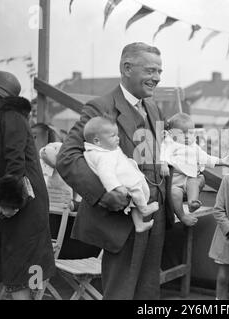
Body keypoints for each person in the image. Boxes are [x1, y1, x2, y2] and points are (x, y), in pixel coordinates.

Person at [56, 42, 173, 300]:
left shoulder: (153, 107)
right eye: (151, 70)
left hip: (155, 213)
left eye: (159, 71)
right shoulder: (101, 107)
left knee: (148, 290)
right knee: (121, 291)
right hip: (121, 218)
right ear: (127, 68)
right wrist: (105, 195)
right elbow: (67, 157)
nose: (157, 78)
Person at [0, 71, 55, 300]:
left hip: (22, 202)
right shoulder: (8, 116)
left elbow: (15, 161)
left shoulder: (10, 115)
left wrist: (8, 202)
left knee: (23, 264)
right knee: (16, 263)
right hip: (17, 199)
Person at [83, 116, 158, 232]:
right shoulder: (102, 157)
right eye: (113, 136)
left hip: (126, 175)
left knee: (135, 203)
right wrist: (117, 187)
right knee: (138, 193)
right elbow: (106, 175)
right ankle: (144, 209)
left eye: (117, 135)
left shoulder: (105, 149)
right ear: (97, 141)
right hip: (124, 182)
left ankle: (139, 224)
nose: (118, 138)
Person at [160, 112, 229, 226]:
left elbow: (205, 158)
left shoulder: (193, 146)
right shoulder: (169, 143)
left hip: (189, 179)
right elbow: (162, 153)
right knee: (175, 194)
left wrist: (222, 161)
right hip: (175, 182)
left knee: (194, 180)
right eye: (182, 133)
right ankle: (182, 216)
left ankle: (192, 202)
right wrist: (163, 164)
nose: (187, 136)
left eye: (190, 133)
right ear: (171, 133)